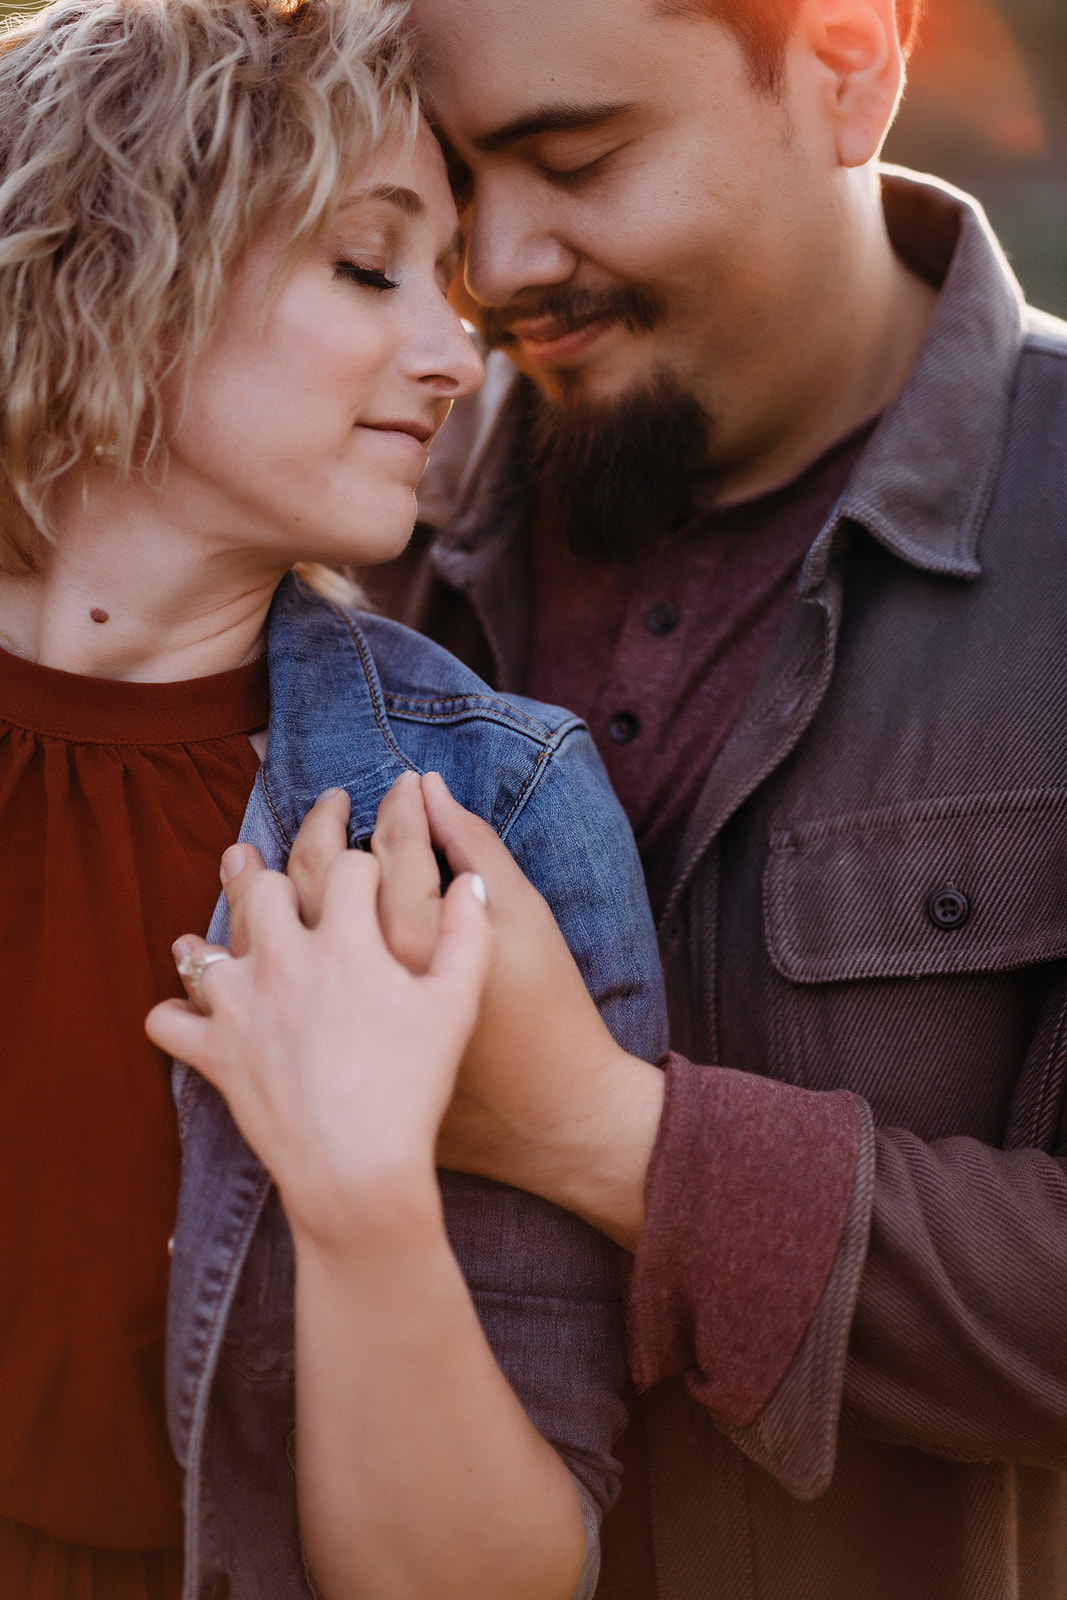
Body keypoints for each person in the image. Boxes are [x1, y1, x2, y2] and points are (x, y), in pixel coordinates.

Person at [342, 0, 1067, 1595]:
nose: (499, 260)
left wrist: (612, 1141)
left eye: (578, 156)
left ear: (850, 65)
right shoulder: (339, 524)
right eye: (460, 177)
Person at [0, 1, 667, 1596]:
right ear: (106, 264)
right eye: (372, 267)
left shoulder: (486, 812)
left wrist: (362, 1190)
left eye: (450, 291)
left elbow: (505, 1578)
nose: (458, 353)